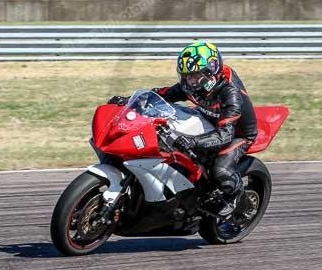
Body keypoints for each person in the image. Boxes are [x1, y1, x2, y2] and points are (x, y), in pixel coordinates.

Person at [110, 42, 258, 216]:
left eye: (195, 76)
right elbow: (161, 95)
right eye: (186, 76)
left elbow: (226, 134)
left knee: (221, 170)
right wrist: (129, 101)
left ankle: (235, 194)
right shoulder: (191, 86)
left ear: (210, 72)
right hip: (208, 118)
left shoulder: (230, 93)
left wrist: (193, 141)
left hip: (237, 133)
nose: (190, 81)